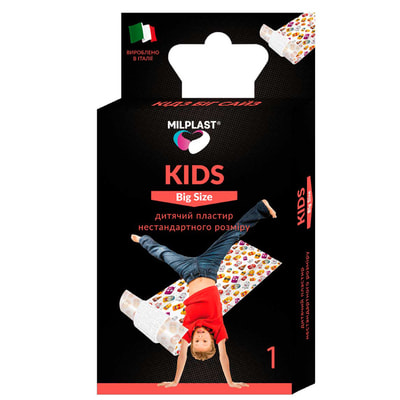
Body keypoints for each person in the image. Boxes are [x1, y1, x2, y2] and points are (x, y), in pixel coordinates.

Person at [131, 199, 277, 388]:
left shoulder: (187, 330)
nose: (200, 336)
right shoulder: (218, 329)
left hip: (188, 272)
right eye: (204, 340)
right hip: (209, 267)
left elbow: (182, 356)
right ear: (212, 341)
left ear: (191, 341)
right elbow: (223, 356)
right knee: (231, 236)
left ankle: (143, 240)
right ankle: (261, 208)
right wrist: (230, 382)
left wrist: (175, 381)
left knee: (163, 253)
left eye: (197, 341)